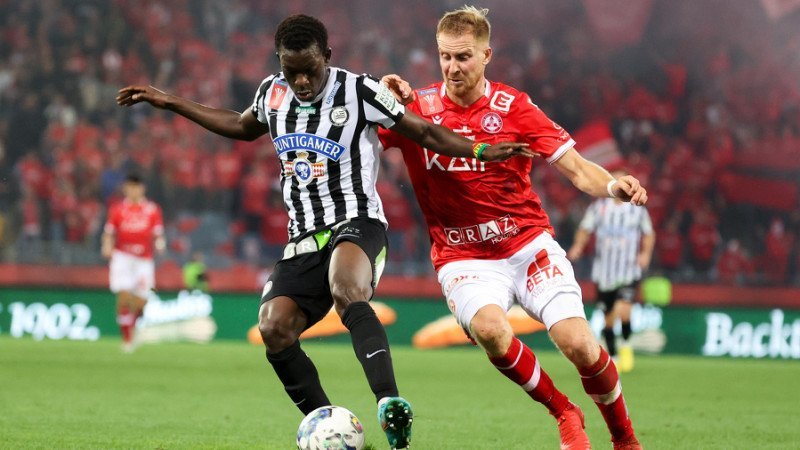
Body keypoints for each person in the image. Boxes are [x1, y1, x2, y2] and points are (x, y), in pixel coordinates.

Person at [117, 14, 531, 450]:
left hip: (358, 223)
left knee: (345, 287)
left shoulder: (360, 90)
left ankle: (389, 403)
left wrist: (479, 149)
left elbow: (423, 130)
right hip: (303, 238)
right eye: (290, 70)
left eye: (309, 70)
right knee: (273, 327)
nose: (300, 81)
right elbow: (240, 126)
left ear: (327, 57)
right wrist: (170, 101)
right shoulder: (272, 92)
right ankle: (329, 427)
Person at [379, 6, 647, 449]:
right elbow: (360, 131)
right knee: (490, 330)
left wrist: (614, 186)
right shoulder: (416, 108)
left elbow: (579, 169)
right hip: (462, 255)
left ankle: (625, 439)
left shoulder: (514, 107)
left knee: (580, 345)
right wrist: (380, 94)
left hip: (526, 244)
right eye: (445, 56)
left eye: (463, 57)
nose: (452, 67)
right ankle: (564, 411)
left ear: (486, 55)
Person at [567, 169, 656, 373]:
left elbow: (649, 234)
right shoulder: (599, 208)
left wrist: (645, 254)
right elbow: (585, 229)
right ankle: (614, 356)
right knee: (608, 318)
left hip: (628, 270)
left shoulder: (637, 210)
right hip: (604, 272)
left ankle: (626, 345)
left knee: (624, 310)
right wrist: (578, 246)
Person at [101, 173, 166, 353]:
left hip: (144, 259)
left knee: (142, 300)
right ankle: (127, 339)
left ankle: (133, 325)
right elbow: (109, 232)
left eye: (136, 187)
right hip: (122, 257)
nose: (133, 190)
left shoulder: (152, 209)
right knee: (123, 295)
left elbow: (158, 233)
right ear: (125, 189)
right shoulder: (117, 209)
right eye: (130, 187)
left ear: (142, 189)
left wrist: (160, 244)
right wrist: (106, 245)